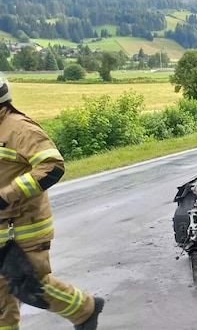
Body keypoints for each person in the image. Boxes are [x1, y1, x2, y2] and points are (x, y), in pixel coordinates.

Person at [0, 73, 105, 330]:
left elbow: (52, 166)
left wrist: (6, 195)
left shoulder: (19, 128)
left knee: (30, 284)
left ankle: (86, 309)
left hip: (23, 227)